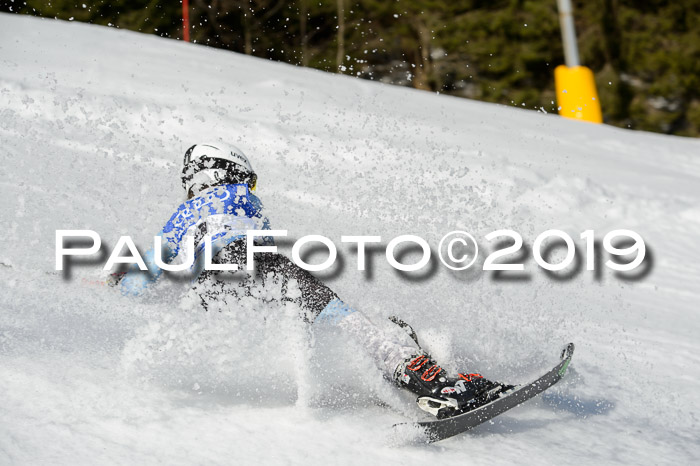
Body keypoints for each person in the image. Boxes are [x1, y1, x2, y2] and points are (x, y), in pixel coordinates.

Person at [113, 142, 513, 419]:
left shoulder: (177, 222)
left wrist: (119, 281)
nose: (252, 192)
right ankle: (435, 384)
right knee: (343, 317)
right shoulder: (234, 194)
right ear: (227, 172)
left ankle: (398, 375)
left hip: (209, 291)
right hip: (256, 264)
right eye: (249, 181)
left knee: (307, 324)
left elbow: (142, 276)